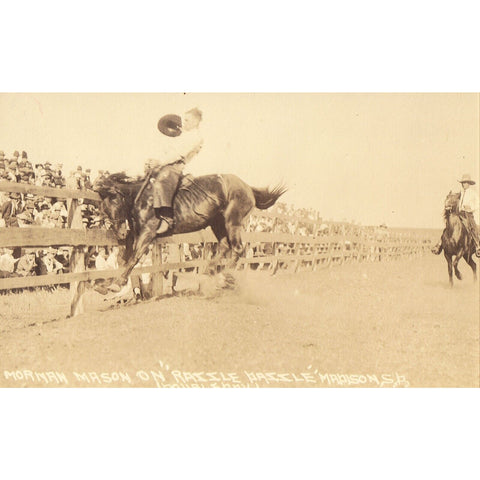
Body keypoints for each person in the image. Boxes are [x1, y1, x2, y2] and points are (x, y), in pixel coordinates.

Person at [147, 108, 204, 235]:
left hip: (177, 167)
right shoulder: (185, 135)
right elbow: (169, 151)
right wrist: (155, 161)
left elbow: (178, 154)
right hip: (169, 164)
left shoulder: (196, 137)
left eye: (187, 120)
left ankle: (167, 217)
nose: (184, 123)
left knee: (162, 182)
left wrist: (160, 162)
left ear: (195, 121)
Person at [432, 173, 480, 257]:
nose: (463, 184)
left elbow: (478, 204)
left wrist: (471, 207)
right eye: (462, 183)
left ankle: (477, 246)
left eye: (465, 183)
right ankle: (439, 244)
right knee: (449, 226)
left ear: (468, 183)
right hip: (459, 213)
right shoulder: (461, 193)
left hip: (468, 214)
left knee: (472, 227)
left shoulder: (473, 193)